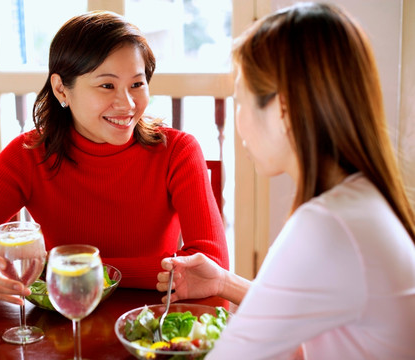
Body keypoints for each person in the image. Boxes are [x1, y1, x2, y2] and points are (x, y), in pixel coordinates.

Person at [157, 2, 415, 359]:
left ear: (282, 108)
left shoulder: (327, 225)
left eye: (240, 100)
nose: (238, 120)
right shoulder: (361, 198)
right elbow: (312, 315)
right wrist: (223, 283)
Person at [0, 10, 228, 305]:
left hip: (153, 327)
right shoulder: (29, 155)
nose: (127, 103)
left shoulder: (177, 150)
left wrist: (65, 270)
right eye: (107, 85)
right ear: (61, 89)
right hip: (62, 326)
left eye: (137, 84)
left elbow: (210, 267)